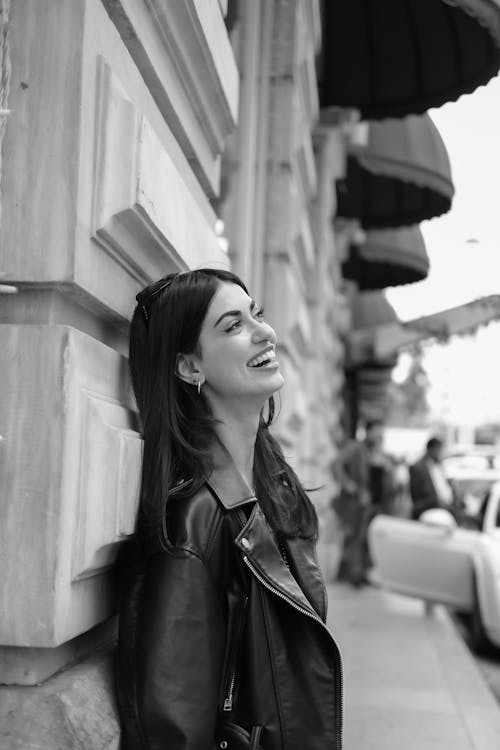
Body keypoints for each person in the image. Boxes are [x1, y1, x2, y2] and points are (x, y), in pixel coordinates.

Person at [115, 268, 343, 750]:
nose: (266, 332)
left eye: (256, 312)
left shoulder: (273, 483)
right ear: (189, 368)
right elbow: (174, 730)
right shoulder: (192, 523)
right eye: (233, 325)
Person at [333, 420, 395, 586]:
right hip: (356, 502)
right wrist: (349, 486)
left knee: (367, 539)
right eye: (377, 431)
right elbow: (336, 466)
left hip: (375, 504)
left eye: (381, 432)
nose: (379, 435)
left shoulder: (377, 451)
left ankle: (363, 573)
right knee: (354, 538)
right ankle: (354, 575)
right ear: (367, 431)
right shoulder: (355, 447)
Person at [409, 436, 463, 520]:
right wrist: (436, 501)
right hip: (431, 512)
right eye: (439, 450)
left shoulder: (439, 466)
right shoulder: (417, 468)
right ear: (432, 449)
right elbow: (417, 498)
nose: (441, 453)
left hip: (448, 508)